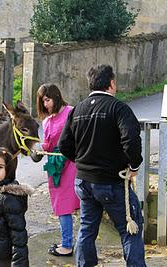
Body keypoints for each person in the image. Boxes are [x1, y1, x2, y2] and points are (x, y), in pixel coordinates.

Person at [58, 64, 146, 267]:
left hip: (83, 183)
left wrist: (82, 162)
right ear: (112, 83)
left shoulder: (77, 110)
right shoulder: (118, 108)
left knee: (87, 228)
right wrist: (134, 165)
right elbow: (131, 139)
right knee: (130, 227)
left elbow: (63, 145)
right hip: (111, 182)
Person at [33, 84, 80, 257]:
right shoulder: (46, 121)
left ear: (56, 96)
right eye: (42, 101)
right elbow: (48, 143)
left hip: (72, 163)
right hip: (55, 166)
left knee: (69, 204)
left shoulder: (71, 112)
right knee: (61, 205)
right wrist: (38, 148)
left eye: (48, 99)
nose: (45, 104)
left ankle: (69, 245)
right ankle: (68, 242)